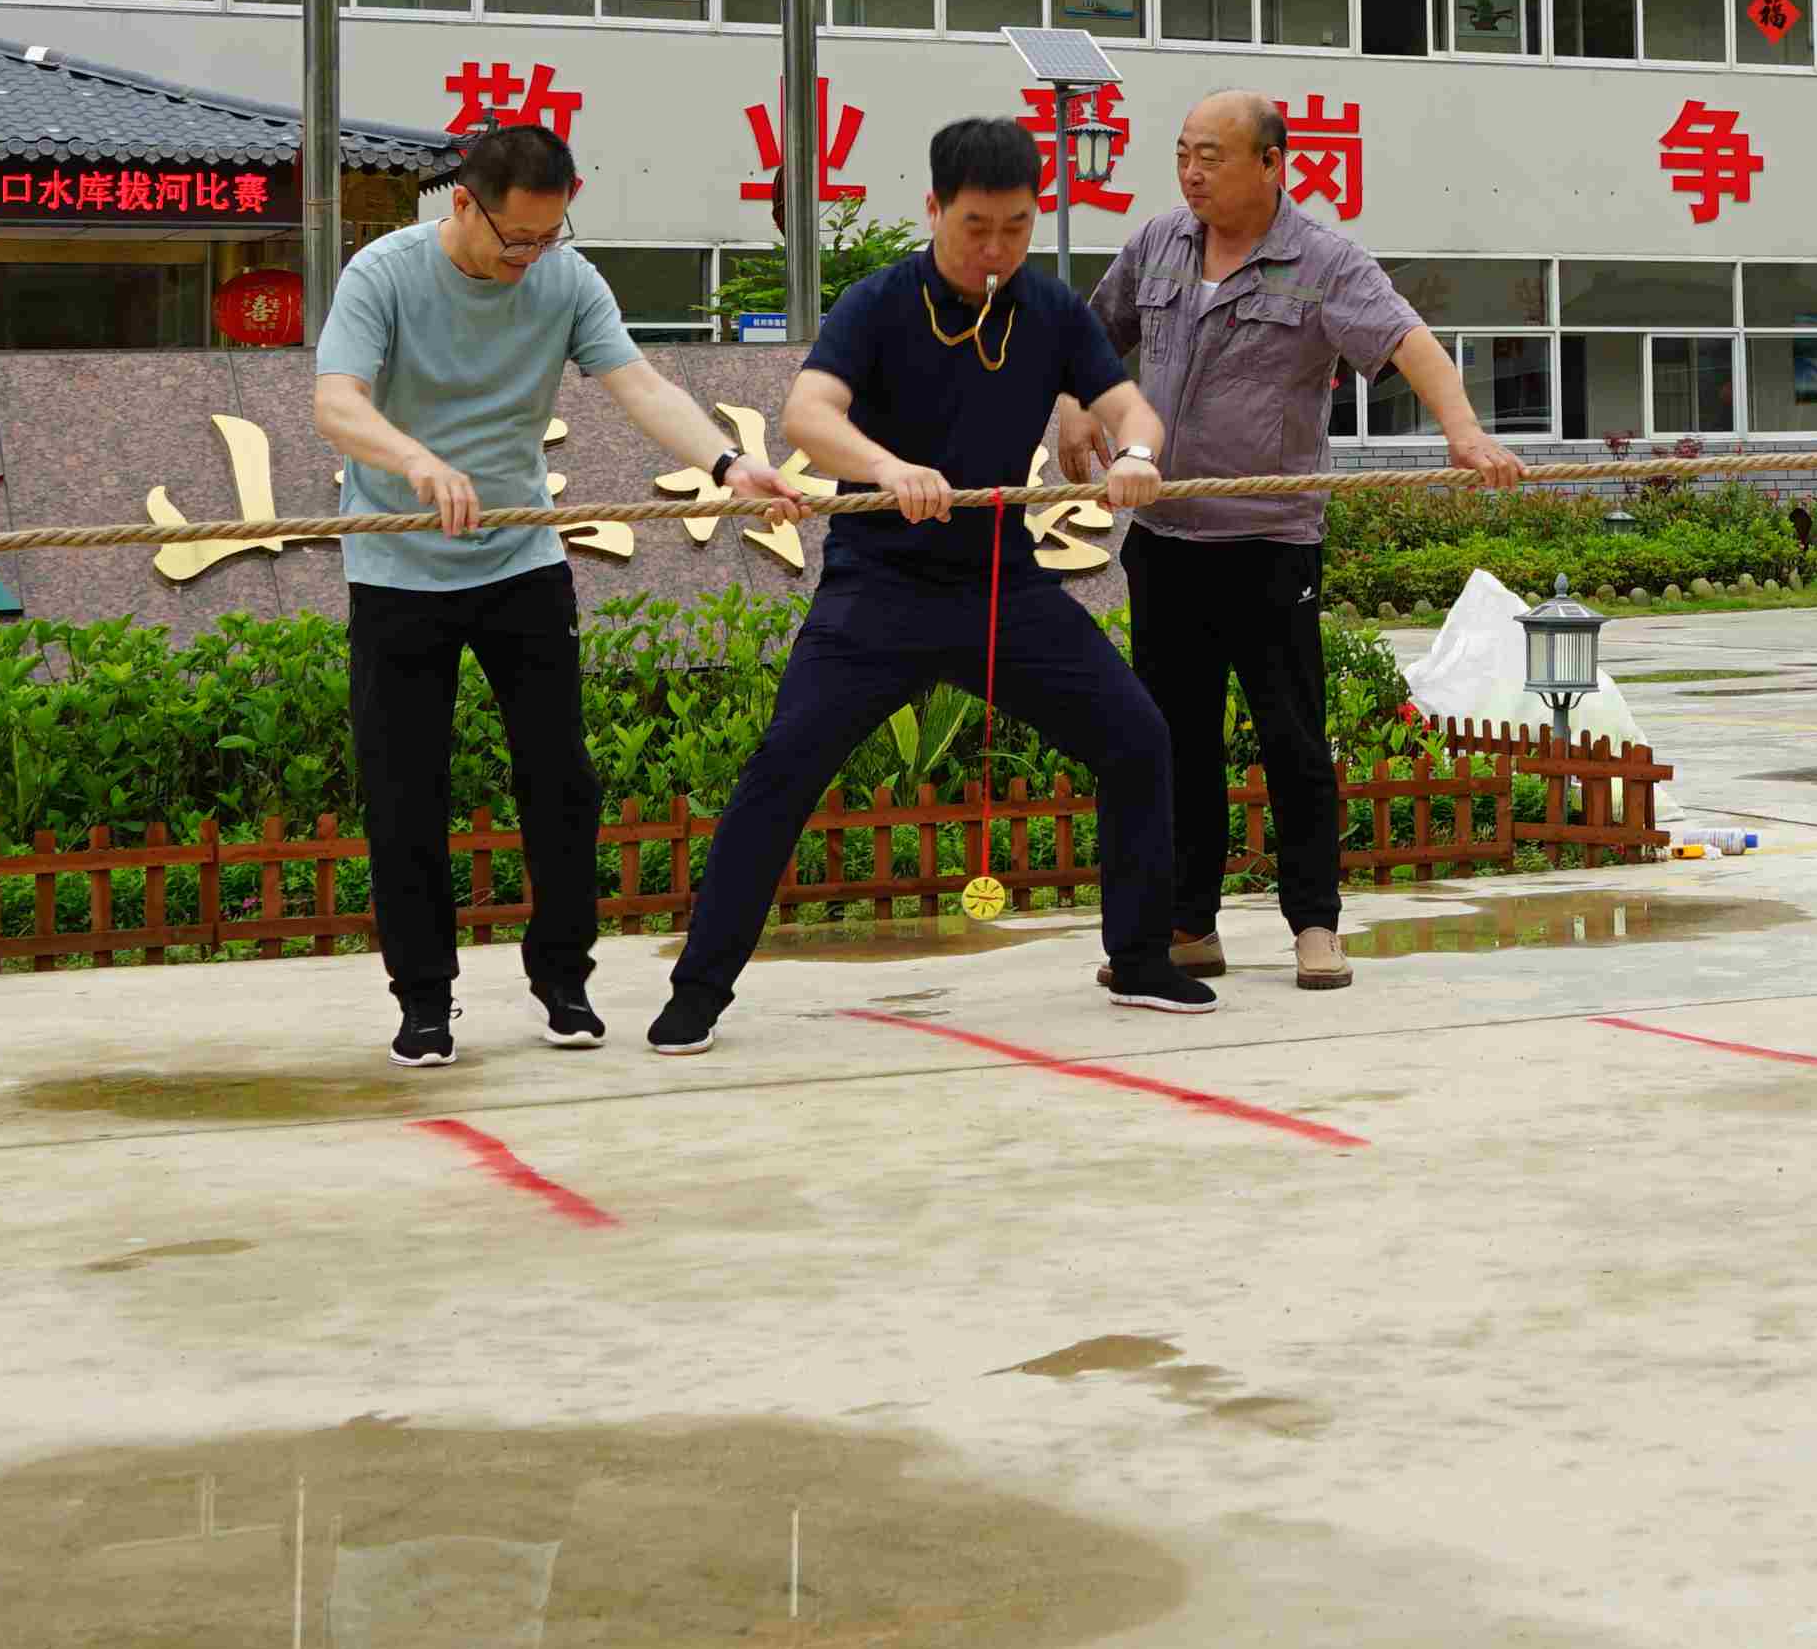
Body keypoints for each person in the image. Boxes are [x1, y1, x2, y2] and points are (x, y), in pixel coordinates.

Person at [652, 117, 1201, 1053]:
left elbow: (1126, 406)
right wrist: (886, 466)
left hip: (1002, 589)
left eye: (1017, 228)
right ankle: (698, 989)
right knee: (783, 770)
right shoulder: (877, 303)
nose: (996, 248)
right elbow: (808, 413)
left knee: (1137, 738)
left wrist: (1141, 453)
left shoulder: (1050, 309)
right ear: (934, 209)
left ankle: (1141, 960)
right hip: (879, 590)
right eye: (976, 226)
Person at [312, 118, 797, 1064]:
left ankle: (564, 981)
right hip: (397, 567)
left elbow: (640, 384)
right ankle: (424, 1001)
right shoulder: (384, 273)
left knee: (562, 780)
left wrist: (728, 463)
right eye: (516, 240)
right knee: (406, 790)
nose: (531, 257)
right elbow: (337, 401)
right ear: (464, 204)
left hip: (521, 559)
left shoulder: (566, 279)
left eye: (549, 236)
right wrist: (417, 463)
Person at [1092, 91, 1524, 987]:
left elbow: (1409, 342)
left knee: (1291, 738)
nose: (1192, 173)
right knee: (1176, 744)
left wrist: (1464, 432)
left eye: (1212, 156)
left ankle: (1315, 925)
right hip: (1165, 538)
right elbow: (1091, 337)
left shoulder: (1324, 261)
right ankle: (1188, 924)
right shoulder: (1158, 243)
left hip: (1270, 541)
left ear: (1272, 163)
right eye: (1183, 154)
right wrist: (1070, 405)